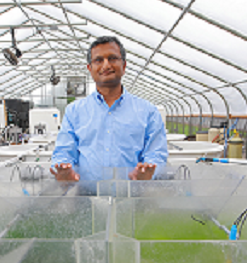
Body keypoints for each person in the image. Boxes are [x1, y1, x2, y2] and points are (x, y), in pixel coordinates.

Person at [50, 36, 168, 182]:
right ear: (90, 68)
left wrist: (148, 172)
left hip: (133, 197)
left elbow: (156, 153)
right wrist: (64, 170)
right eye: (98, 60)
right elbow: (63, 152)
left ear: (124, 66)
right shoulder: (74, 112)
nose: (106, 65)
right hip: (86, 199)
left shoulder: (148, 112)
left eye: (112, 58)